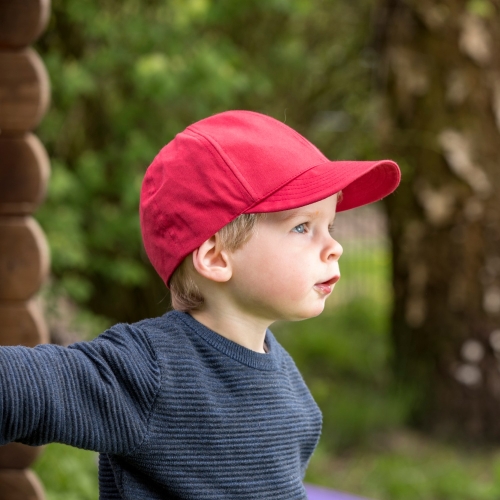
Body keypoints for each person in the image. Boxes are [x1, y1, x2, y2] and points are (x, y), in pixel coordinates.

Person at [0, 110, 400, 499]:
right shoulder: (149, 370)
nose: (335, 247)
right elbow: (21, 387)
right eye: (302, 227)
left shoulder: (295, 395)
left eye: (329, 227)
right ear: (216, 257)